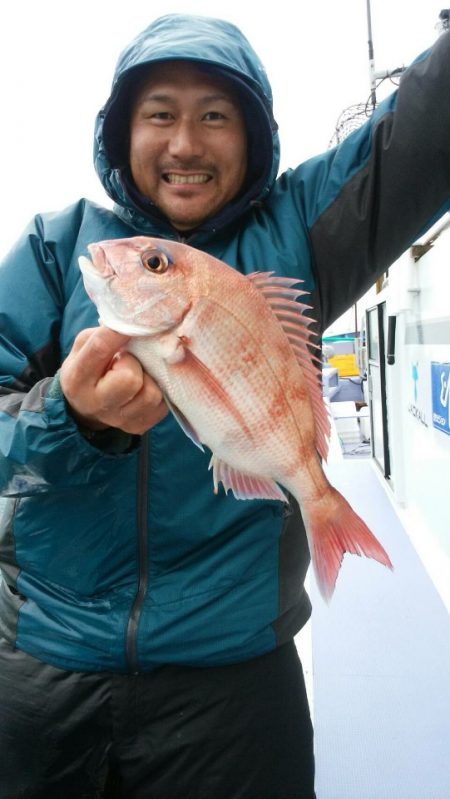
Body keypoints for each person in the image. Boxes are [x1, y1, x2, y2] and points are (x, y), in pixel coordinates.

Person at [0, 13, 449, 799]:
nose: (185, 144)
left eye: (215, 115)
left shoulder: (298, 231)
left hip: (235, 683)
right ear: (119, 132)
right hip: (45, 666)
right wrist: (68, 418)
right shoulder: (57, 248)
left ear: (254, 136)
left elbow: (417, 138)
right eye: (159, 114)